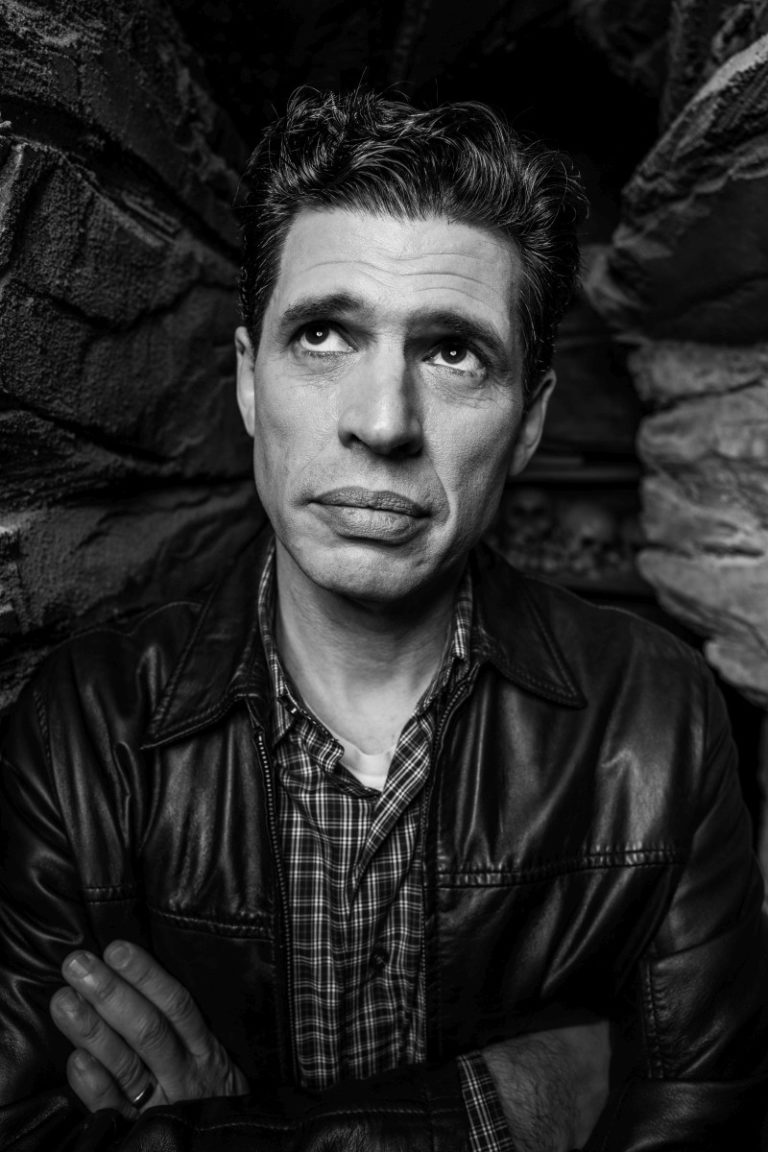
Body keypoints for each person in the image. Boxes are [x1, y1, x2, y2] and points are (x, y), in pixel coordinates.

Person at [0, 88, 766, 1152]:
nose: (383, 422)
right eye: (323, 335)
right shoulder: (81, 728)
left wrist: (210, 1124)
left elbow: (707, 1130)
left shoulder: (659, 720)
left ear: (531, 421)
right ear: (249, 382)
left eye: (453, 353)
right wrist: (491, 1111)